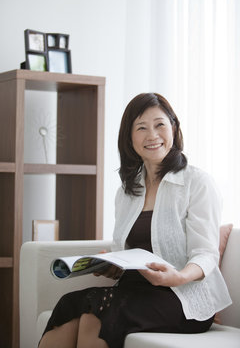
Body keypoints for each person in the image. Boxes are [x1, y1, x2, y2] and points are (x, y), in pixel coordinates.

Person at [39, 93, 232, 348]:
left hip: (183, 297)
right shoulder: (127, 191)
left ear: (174, 127)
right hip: (135, 290)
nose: (152, 135)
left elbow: (206, 254)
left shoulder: (196, 183)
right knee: (69, 304)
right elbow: (126, 252)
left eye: (160, 124)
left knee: (98, 313)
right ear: (130, 138)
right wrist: (111, 265)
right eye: (141, 127)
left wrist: (178, 277)